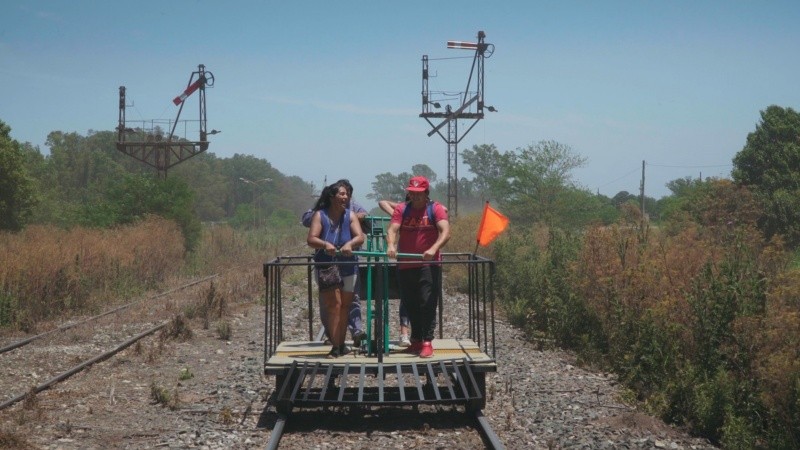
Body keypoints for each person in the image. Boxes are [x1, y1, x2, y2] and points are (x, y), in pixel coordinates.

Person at [385, 176, 450, 358]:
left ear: (426, 193)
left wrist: (433, 248)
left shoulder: (435, 209)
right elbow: (392, 229)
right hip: (406, 264)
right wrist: (391, 245)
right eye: (412, 193)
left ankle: (427, 341)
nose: (415, 197)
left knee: (427, 301)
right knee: (410, 302)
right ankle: (415, 340)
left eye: (418, 194)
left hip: (428, 264)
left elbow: (445, 232)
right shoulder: (402, 209)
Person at [302, 179, 368, 348]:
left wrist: (350, 244)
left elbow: (360, 236)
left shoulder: (351, 215)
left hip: (348, 265)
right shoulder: (320, 214)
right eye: (342, 194)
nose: (345, 198)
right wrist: (325, 245)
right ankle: (336, 345)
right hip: (327, 266)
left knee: (346, 305)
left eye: (347, 195)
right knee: (334, 305)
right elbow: (311, 238)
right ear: (332, 197)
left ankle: (339, 344)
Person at [378, 198, 411, 347]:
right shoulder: (404, 209)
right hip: (406, 259)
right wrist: (397, 215)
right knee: (406, 297)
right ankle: (404, 334)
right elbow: (382, 202)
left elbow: (444, 210)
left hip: (423, 260)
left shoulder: (427, 210)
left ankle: (420, 336)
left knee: (422, 299)